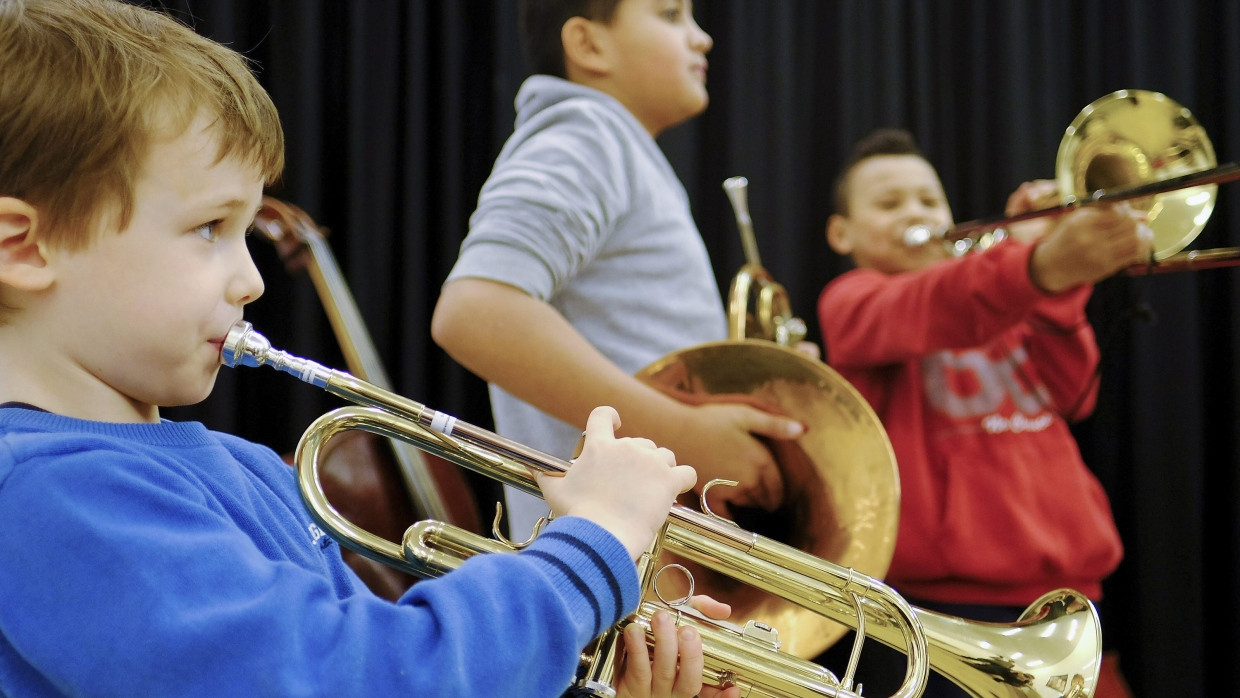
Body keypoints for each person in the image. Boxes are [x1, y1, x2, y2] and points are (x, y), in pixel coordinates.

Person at [0, 2, 740, 697]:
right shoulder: (48, 494)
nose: (252, 281)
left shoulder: (242, 467)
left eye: (246, 231)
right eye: (209, 229)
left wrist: (591, 672)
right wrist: (587, 552)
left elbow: (377, 656)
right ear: (25, 248)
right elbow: (355, 678)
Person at [431, 0, 805, 543]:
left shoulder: (614, 146)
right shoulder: (586, 136)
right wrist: (688, 434)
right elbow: (474, 310)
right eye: (671, 15)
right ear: (588, 45)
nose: (702, 38)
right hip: (607, 561)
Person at [814, 128, 1143, 697]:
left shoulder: (1000, 291)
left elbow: (1073, 396)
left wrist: (1047, 278)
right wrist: (1035, 262)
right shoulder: (851, 300)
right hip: (936, 606)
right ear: (841, 232)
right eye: (889, 204)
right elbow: (936, 304)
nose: (913, 212)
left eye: (928, 200)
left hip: (1070, 595)